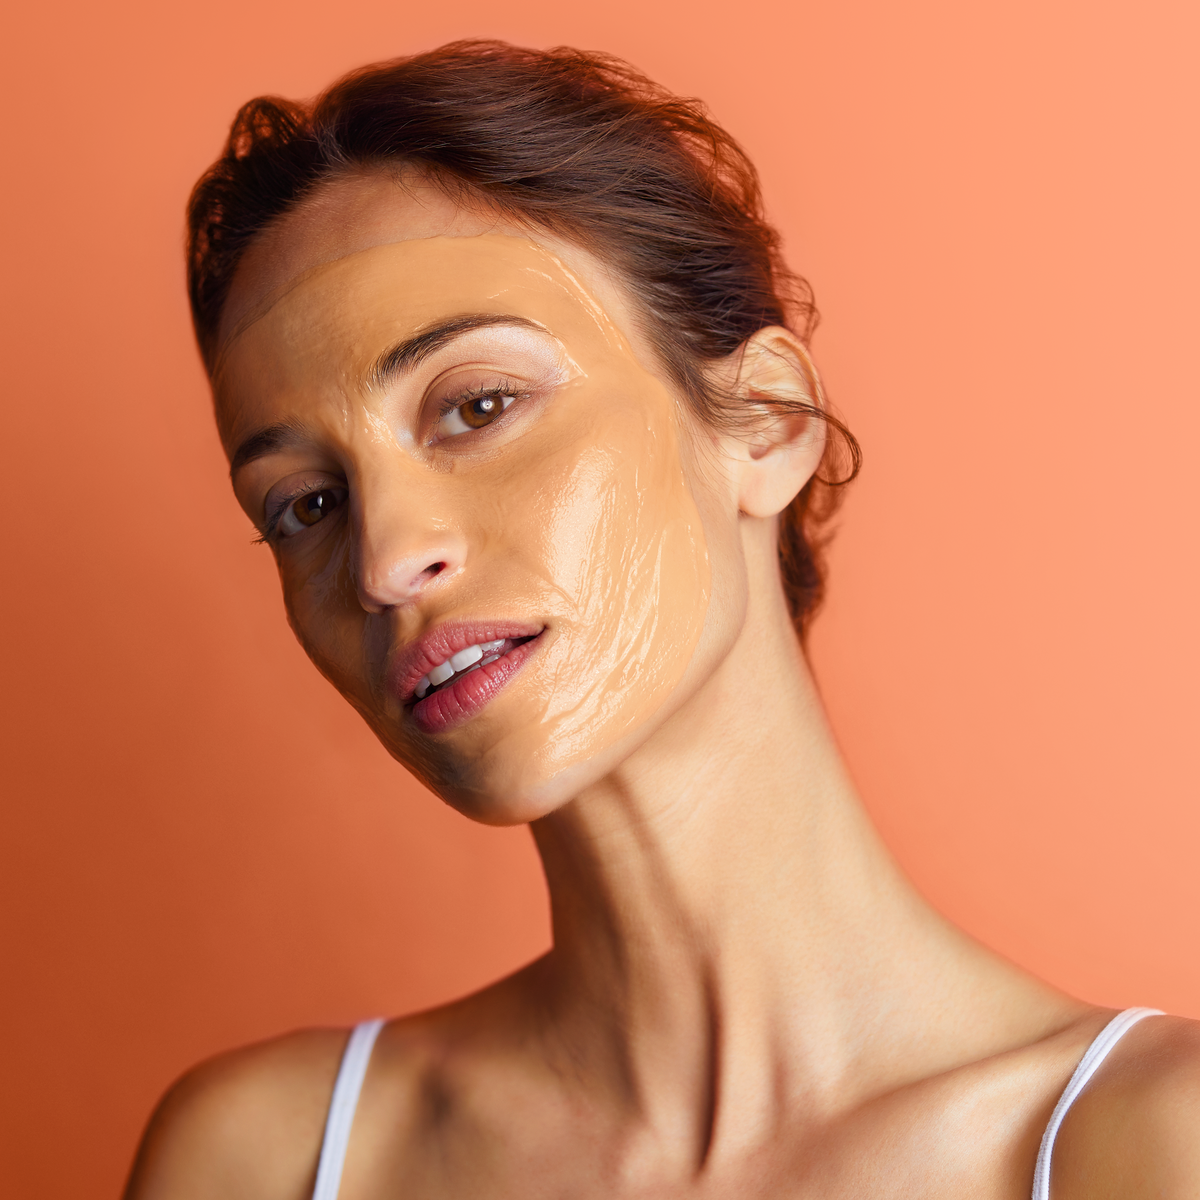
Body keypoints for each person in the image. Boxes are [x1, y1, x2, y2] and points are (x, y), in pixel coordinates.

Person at [124, 40, 1199, 1200]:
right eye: (306, 504)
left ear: (768, 419)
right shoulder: (266, 1162)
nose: (385, 562)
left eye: (478, 405)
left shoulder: (1148, 1146)